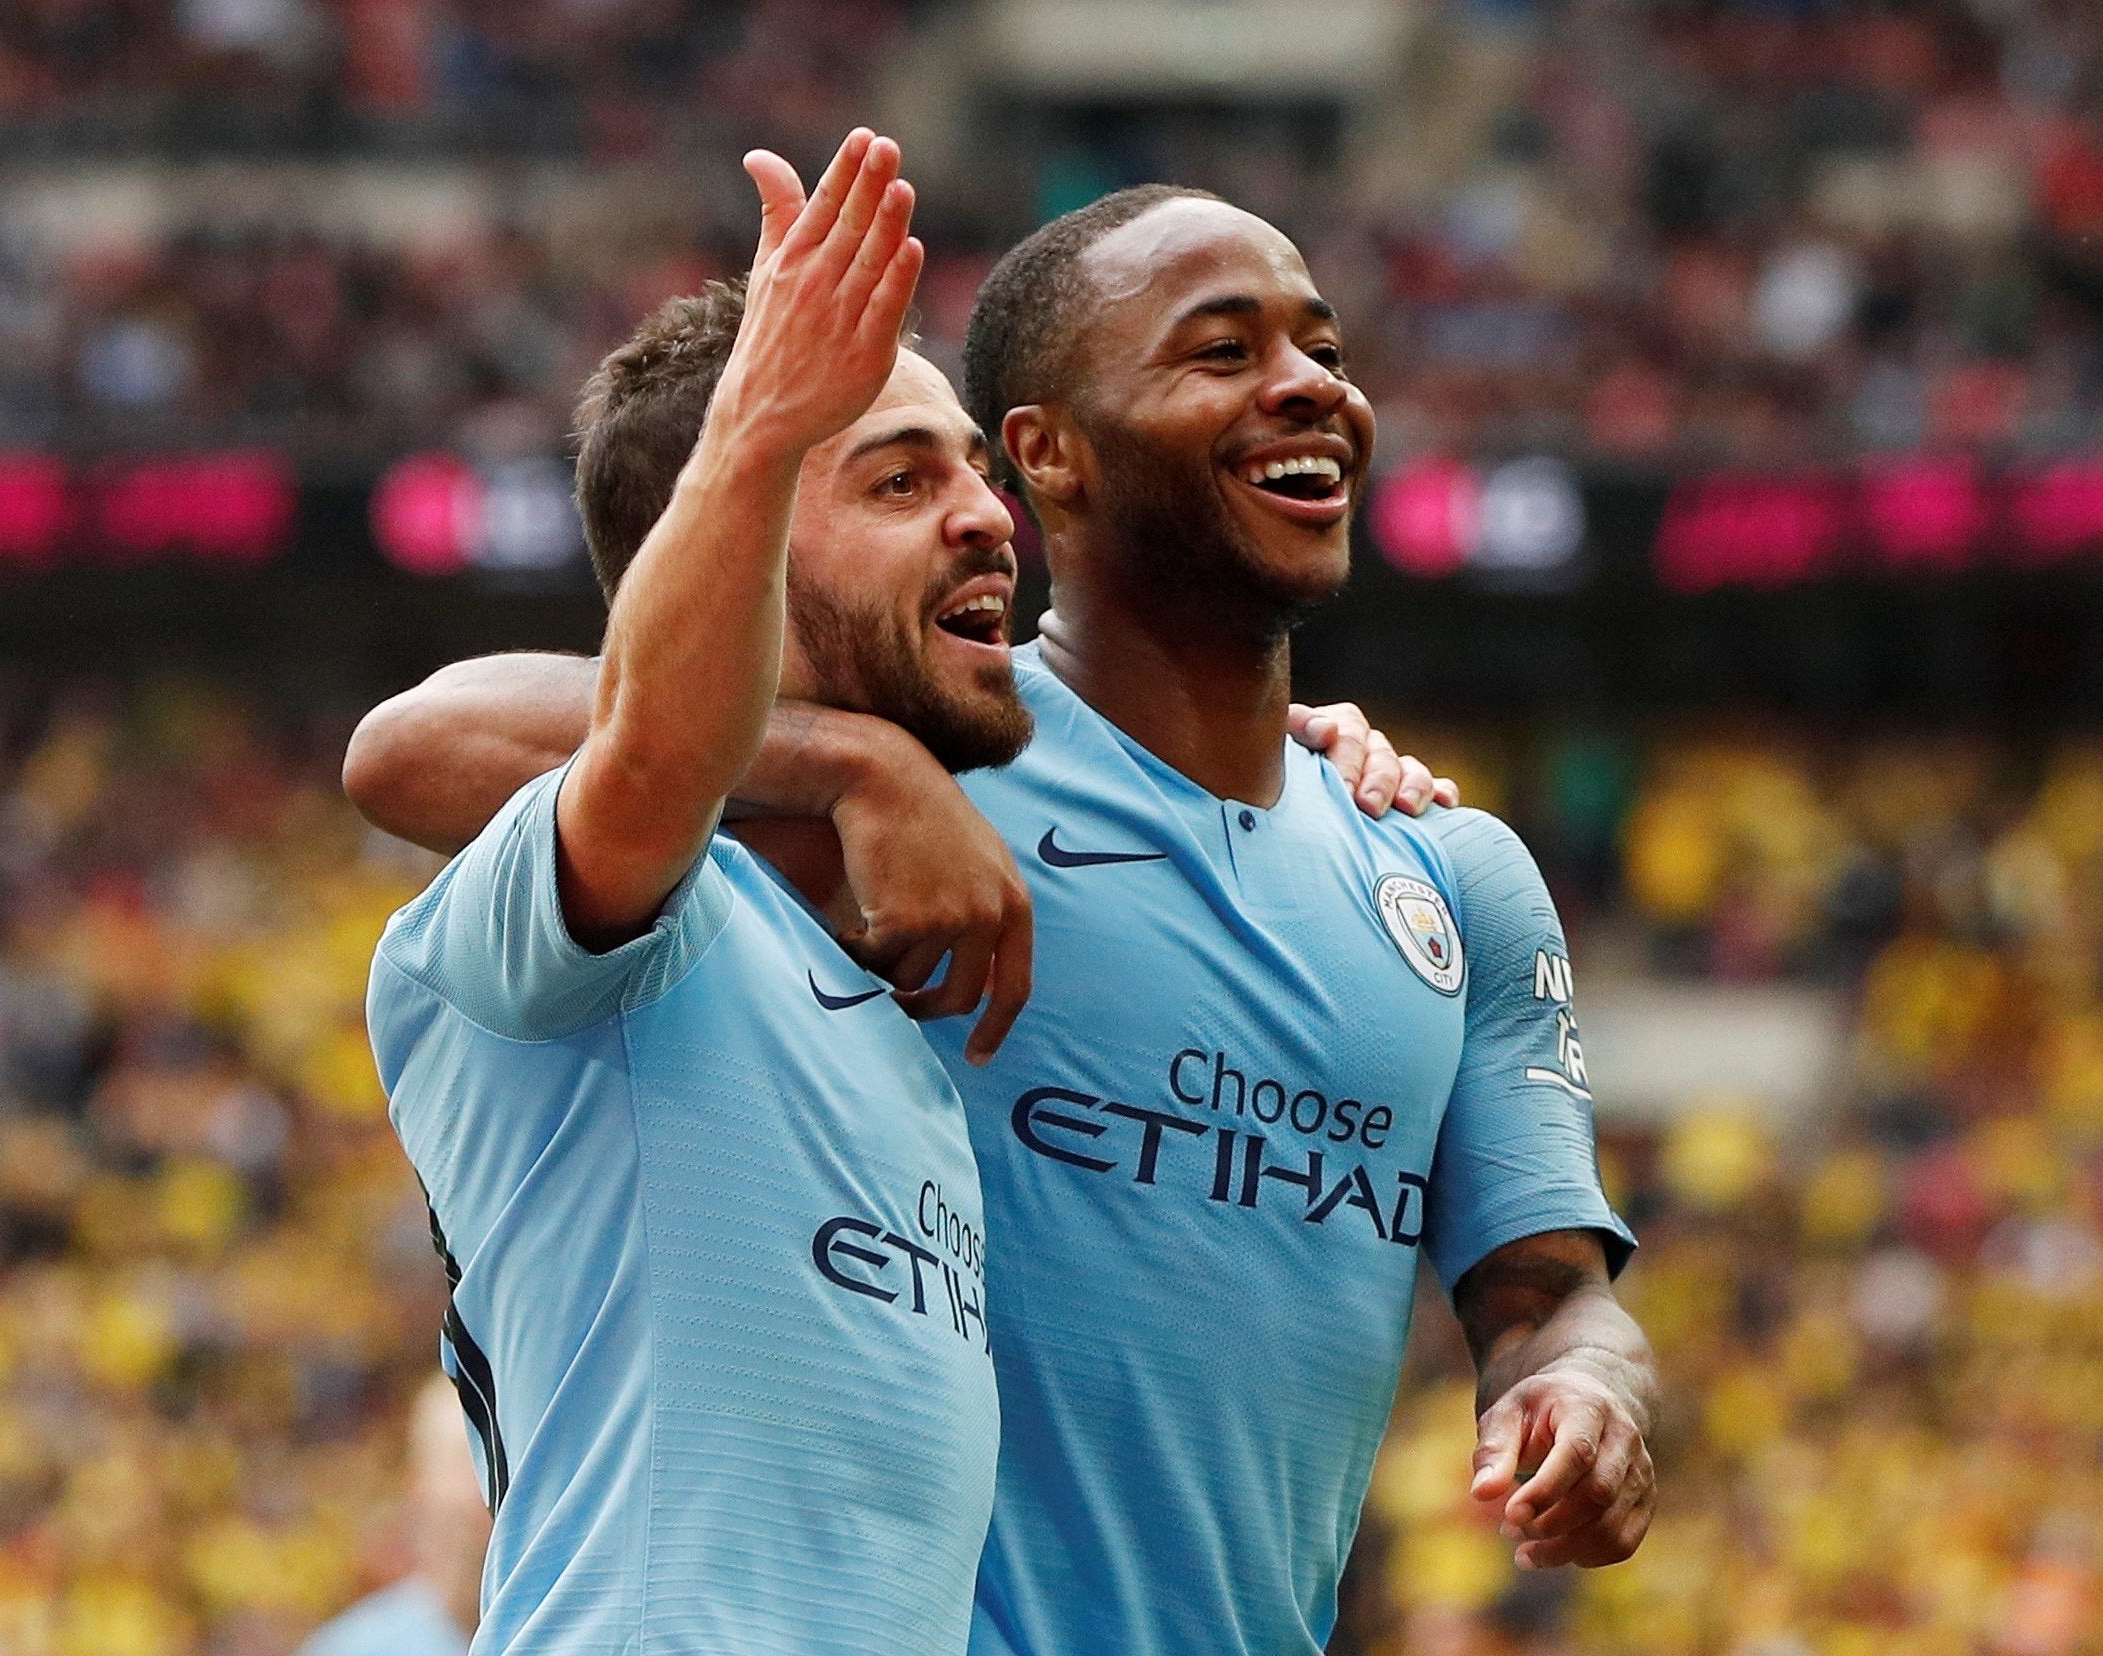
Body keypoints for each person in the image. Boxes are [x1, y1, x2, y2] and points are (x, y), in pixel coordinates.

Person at [348, 181, 1658, 1656]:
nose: (1306, 385)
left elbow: (1551, 1296)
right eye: (1221, 351)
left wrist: (1587, 1384)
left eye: (1324, 347)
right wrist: (853, 757)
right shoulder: (880, 788)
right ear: (1059, 455)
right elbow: (426, 744)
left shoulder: (1433, 867)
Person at [366, 131, 1013, 1655]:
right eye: (901, 478)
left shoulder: (881, 998)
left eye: (977, 471)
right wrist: (756, 432)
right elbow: (569, 744)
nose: (990, 517)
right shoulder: (621, 938)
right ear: (728, 551)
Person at [296, 1376, 491, 1656]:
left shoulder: (567, 1633)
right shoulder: (352, 1648)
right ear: (417, 1482)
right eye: (471, 1460)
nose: (489, 1490)